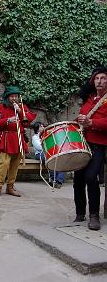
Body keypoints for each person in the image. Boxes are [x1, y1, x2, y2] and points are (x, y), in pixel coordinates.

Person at [73, 66, 107, 230]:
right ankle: (80, 213)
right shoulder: (89, 99)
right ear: (93, 81)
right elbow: (82, 117)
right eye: (96, 78)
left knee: (91, 177)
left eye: (103, 78)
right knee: (77, 179)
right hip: (82, 143)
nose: (99, 81)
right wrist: (78, 120)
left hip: (98, 145)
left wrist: (91, 123)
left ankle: (94, 215)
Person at [0, 86, 36, 198]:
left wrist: (20, 111)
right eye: (12, 96)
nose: (14, 98)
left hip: (19, 138)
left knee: (15, 164)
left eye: (16, 96)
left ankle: (10, 186)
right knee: (4, 163)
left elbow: (28, 119)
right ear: (7, 97)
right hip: (6, 137)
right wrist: (7, 120)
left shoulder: (22, 107)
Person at [32, 121, 65, 188]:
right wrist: (48, 146)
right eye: (40, 126)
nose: (43, 127)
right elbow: (39, 147)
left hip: (51, 153)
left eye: (42, 126)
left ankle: (59, 181)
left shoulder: (47, 134)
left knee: (61, 158)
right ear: (37, 128)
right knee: (51, 159)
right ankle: (53, 179)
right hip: (40, 154)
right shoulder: (35, 137)